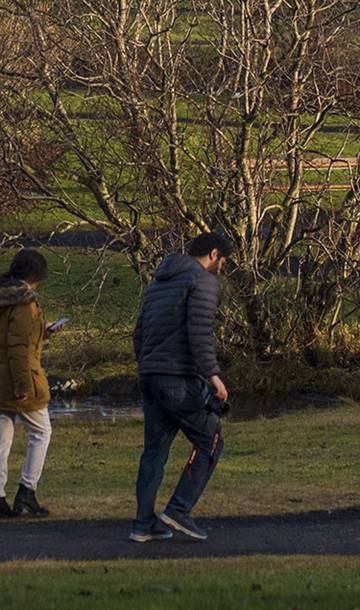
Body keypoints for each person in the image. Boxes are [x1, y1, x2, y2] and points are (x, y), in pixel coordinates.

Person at [128, 231, 234, 543]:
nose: (222, 268)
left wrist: (146, 364)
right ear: (214, 254)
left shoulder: (157, 282)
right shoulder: (202, 282)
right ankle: (178, 509)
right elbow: (199, 334)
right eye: (223, 261)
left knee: (153, 453)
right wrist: (213, 376)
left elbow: (139, 332)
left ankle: (143, 524)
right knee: (210, 439)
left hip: (150, 376)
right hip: (177, 378)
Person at [0, 248, 60, 520]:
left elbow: (9, 340)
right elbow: (18, 347)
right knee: (41, 432)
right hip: (19, 378)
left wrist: (42, 333)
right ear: (38, 276)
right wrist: (23, 386)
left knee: (0, 438)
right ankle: (27, 489)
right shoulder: (24, 303)